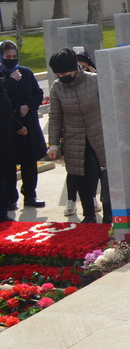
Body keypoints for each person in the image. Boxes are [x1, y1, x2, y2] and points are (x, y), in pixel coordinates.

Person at [47, 48, 111, 224]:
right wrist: (53, 144)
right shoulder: (57, 87)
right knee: (81, 176)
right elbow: (55, 117)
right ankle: (88, 214)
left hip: (100, 135)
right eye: (58, 75)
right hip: (75, 138)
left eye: (64, 73)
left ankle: (109, 215)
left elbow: (109, 107)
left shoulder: (94, 80)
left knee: (106, 175)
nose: (62, 77)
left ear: (74, 68)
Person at [1, 40, 46, 211]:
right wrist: (12, 81)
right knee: (9, 163)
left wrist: (29, 106)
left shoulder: (26, 72)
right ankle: (11, 198)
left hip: (28, 123)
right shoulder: (2, 75)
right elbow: (3, 96)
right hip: (9, 125)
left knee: (29, 160)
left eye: (14, 56)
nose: (11, 59)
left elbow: (38, 93)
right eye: (8, 56)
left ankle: (30, 194)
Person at [0, 67, 28, 221]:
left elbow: (5, 111)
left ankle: (3, 211)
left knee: (4, 175)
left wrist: (17, 126)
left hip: (5, 140)